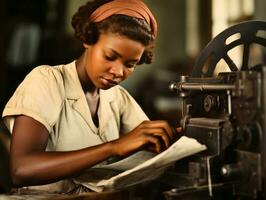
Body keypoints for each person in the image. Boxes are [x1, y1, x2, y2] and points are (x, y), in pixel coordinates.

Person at [2, 0, 182, 194]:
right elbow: (21, 169)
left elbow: (150, 146)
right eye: (110, 56)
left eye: (130, 64)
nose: (118, 71)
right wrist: (113, 147)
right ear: (88, 40)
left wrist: (177, 139)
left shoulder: (117, 97)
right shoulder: (48, 81)